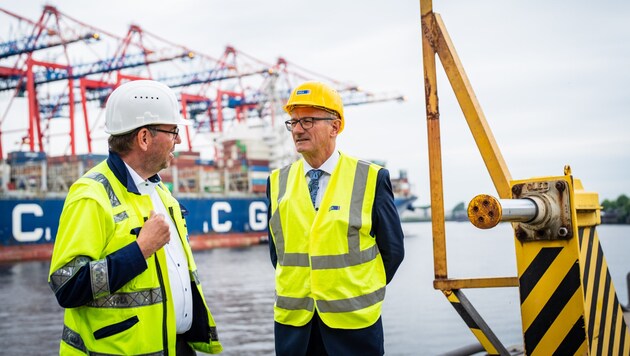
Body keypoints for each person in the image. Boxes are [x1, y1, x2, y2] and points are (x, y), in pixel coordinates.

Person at [48, 80, 222, 355]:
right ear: (144, 138)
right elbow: (66, 285)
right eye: (174, 131)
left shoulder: (161, 193)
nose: (178, 140)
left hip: (173, 347)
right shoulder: (91, 195)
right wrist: (140, 250)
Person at [266, 81, 405, 355]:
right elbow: (277, 253)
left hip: (355, 326)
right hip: (294, 329)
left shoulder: (371, 178)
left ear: (335, 126)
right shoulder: (276, 182)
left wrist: (355, 289)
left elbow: (393, 252)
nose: (296, 130)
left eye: (307, 121)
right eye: (292, 122)